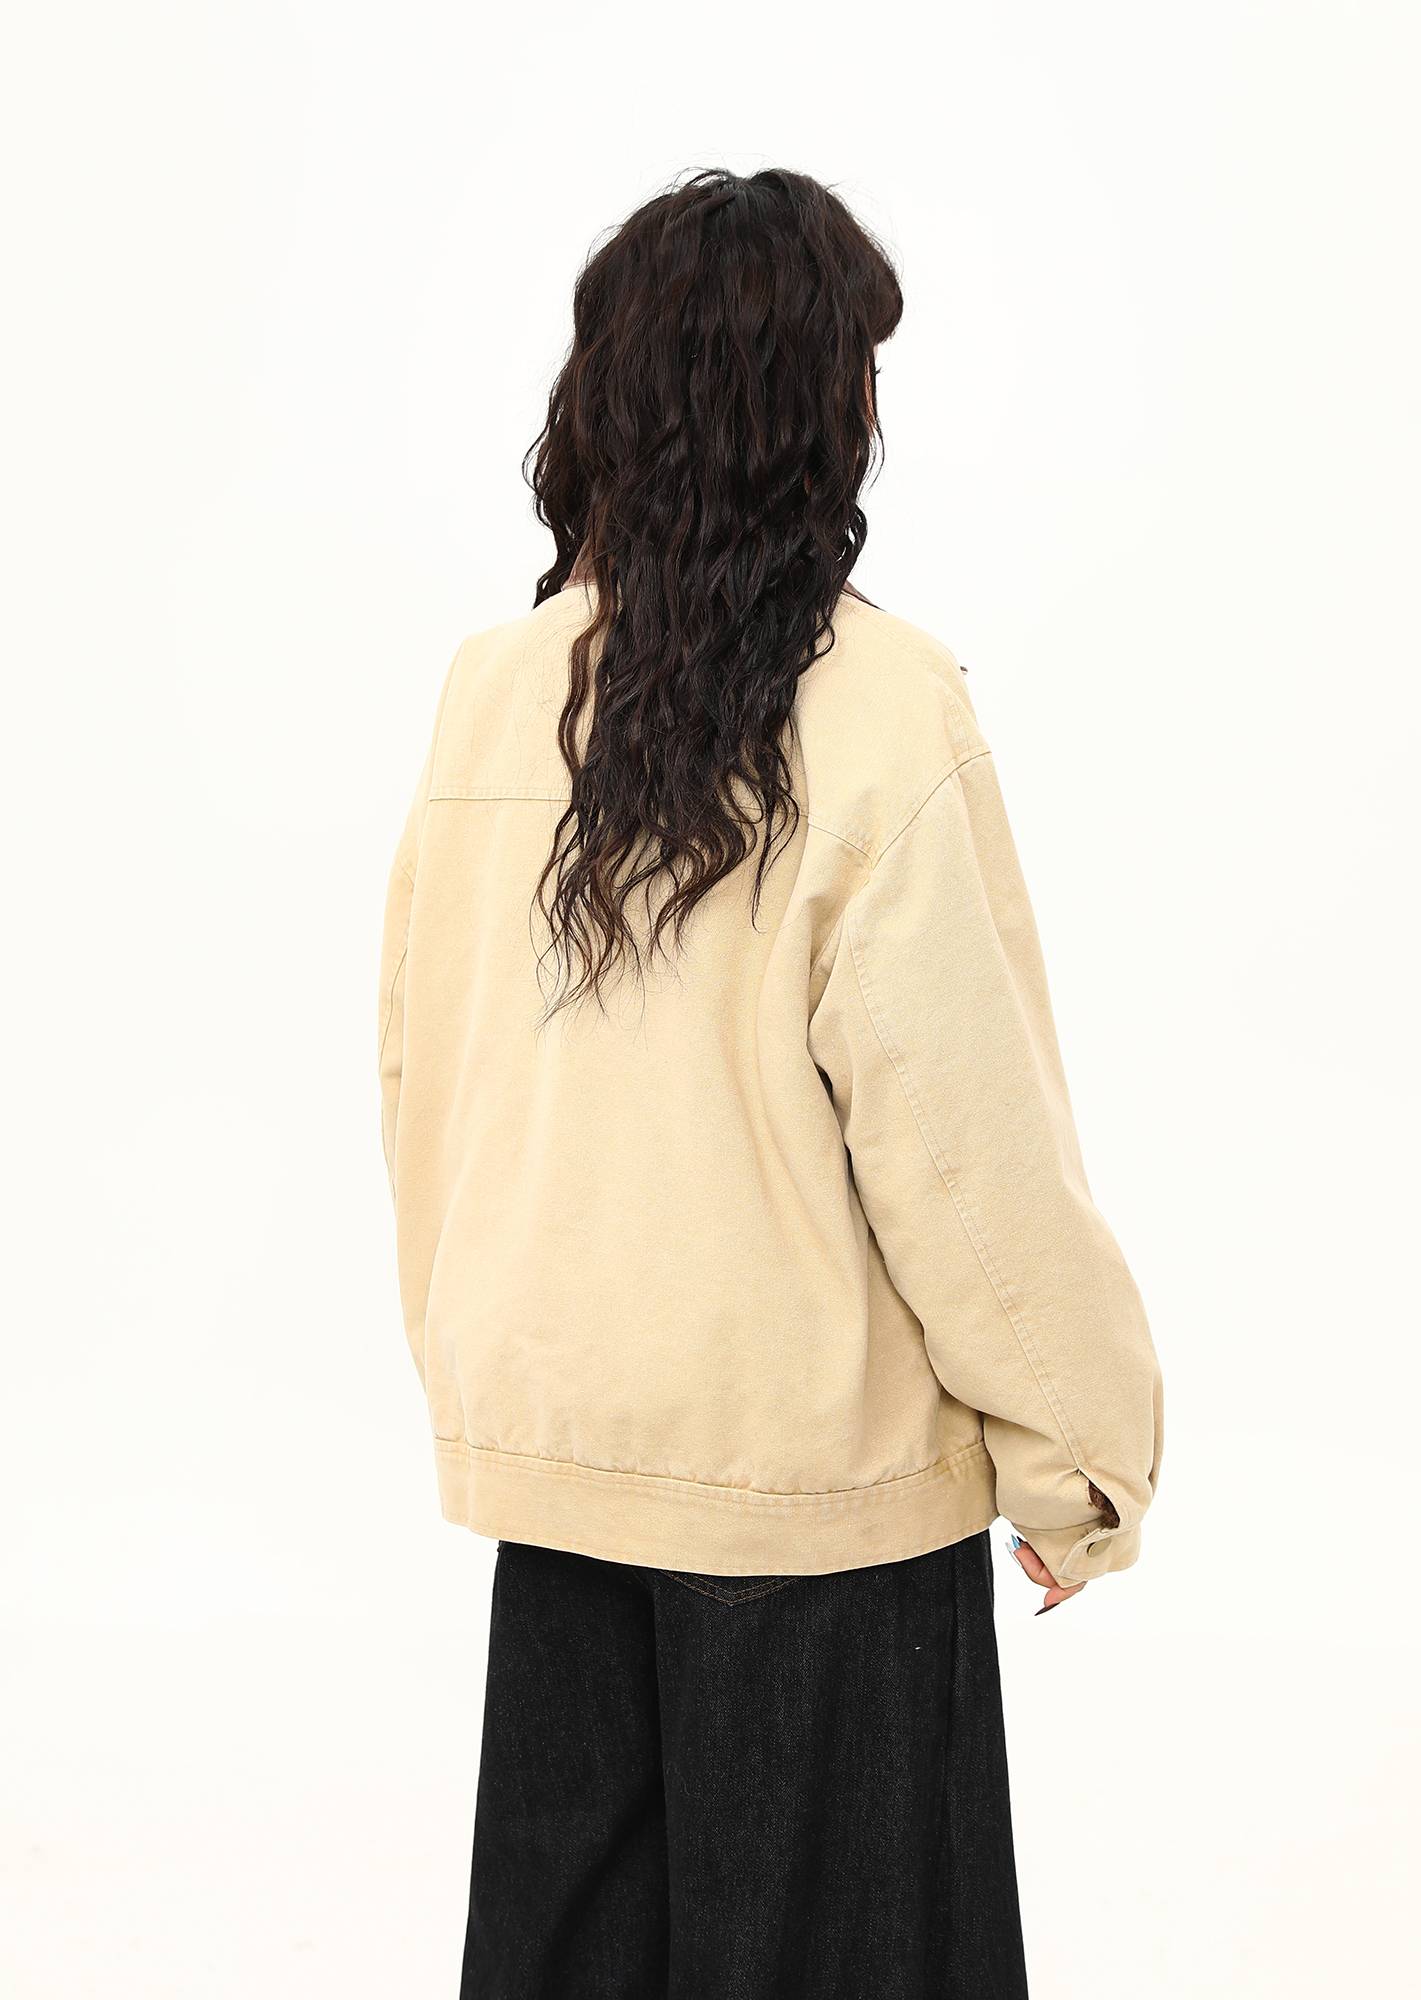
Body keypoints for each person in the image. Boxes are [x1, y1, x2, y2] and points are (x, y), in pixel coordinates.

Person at [378, 167, 1163, 1999]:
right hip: (818, 1507)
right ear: (810, 409)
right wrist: (1079, 1464)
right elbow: (961, 1150)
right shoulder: (881, 708)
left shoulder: (493, 694)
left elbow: (425, 1075)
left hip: (566, 1473)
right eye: (864, 366)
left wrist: (491, 1369)